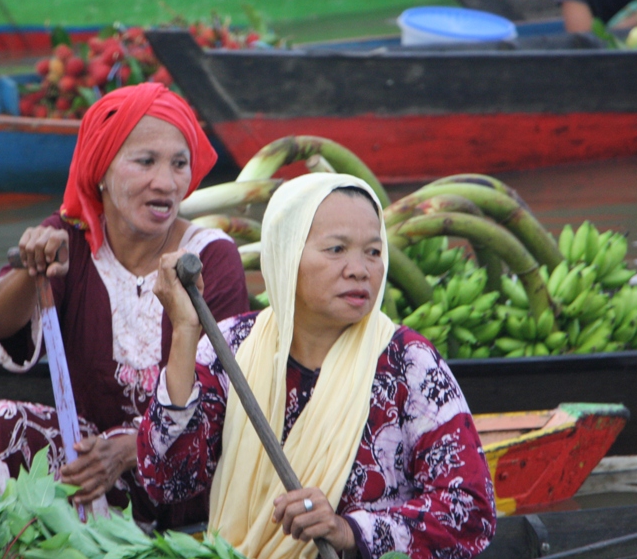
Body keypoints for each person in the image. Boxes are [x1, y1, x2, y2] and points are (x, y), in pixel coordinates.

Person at [139, 173, 496, 559]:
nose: (360, 269)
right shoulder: (231, 347)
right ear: (287, 252)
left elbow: (471, 511)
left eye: (373, 252)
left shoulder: (408, 362)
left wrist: (349, 531)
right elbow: (166, 480)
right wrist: (185, 330)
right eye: (337, 249)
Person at [0, 82, 249, 529]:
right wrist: (30, 269)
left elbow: (222, 401)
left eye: (179, 164)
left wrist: (131, 446)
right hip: (88, 468)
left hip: (185, 476)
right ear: (102, 169)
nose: (166, 182)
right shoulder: (70, 239)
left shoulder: (210, 257)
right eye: (145, 162)